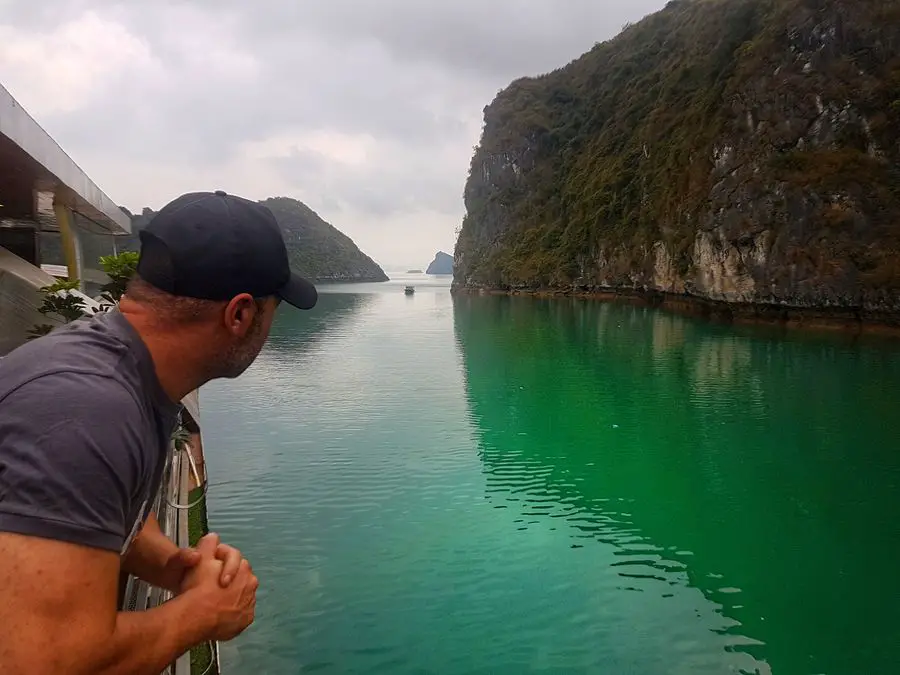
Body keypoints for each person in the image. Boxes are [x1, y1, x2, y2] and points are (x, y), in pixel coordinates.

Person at [0, 190, 317, 674]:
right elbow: (45, 662)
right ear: (241, 315)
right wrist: (202, 614)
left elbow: (103, 508)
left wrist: (178, 568)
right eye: (274, 311)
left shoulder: (120, 374)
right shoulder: (86, 412)